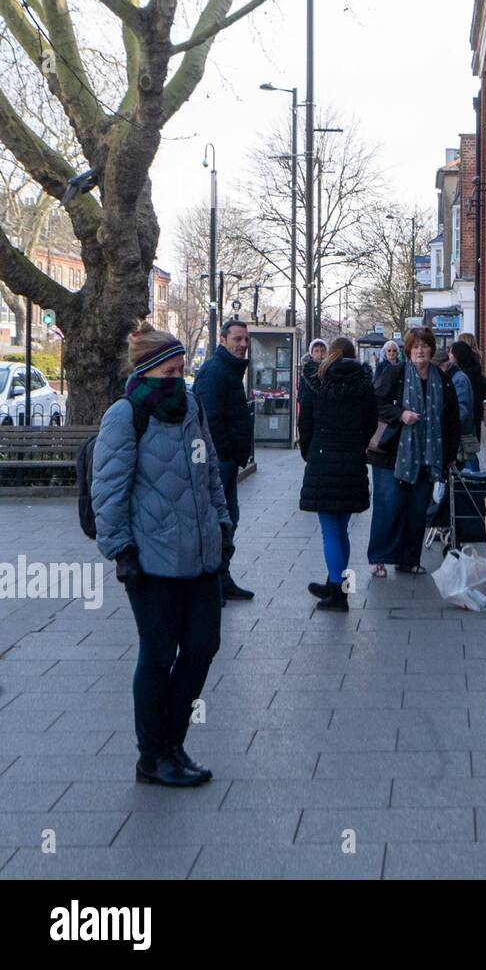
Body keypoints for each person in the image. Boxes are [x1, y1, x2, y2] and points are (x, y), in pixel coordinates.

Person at [92, 323, 231, 788]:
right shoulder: (125, 415)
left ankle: (174, 741)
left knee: (202, 648)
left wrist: (223, 522)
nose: (178, 378)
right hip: (150, 560)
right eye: (170, 370)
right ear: (149, 371)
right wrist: (121, 552)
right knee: (158, 654)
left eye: (180, 369)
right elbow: (109, 490)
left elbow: (209, 468)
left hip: (201, 555)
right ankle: (153, 755)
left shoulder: (191, 407)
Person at [366, 327, 459, 576]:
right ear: (408, 350)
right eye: (415, 346)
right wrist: (401, 414)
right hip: (391, 454)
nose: (420, 350)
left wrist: (450, 455)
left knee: (418, 508)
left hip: (427, 456)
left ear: (431, 349)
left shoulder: (442, 379)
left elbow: (451, 419)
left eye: (424, 346)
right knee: (390, 505)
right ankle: (379, 559)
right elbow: (374, 403)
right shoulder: (395, 373)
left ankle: (409, 560)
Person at [298, 337, 378, 611]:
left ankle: (337, 590)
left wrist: (310, 452)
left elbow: (304, 423)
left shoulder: (316, 381)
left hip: (323, 458)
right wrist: (356, 446)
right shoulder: (364, 384)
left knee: (329, 530)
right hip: (353, 460)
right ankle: (337, 585)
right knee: (341, 529)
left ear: (330, 354)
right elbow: (371, 422)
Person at [191, 318, 255, 602]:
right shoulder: (215, 371)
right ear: (223, 340)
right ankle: (212, 584)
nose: (242, 344)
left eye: (245, 340)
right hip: (219, 463)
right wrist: (226, 455)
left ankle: (222, 578)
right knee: (220, 522)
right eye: (237, 339)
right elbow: (209, 418)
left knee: (228, 521)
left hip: (226, 462)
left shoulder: (227, 370)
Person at [447, 339, 484, 467]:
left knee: (469, 466)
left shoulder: (461, 378)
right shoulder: (468, 373)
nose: (448, 356)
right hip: (468, 429)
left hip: (464, 434)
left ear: (457, 356)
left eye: (451, 353)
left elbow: (462, 409)